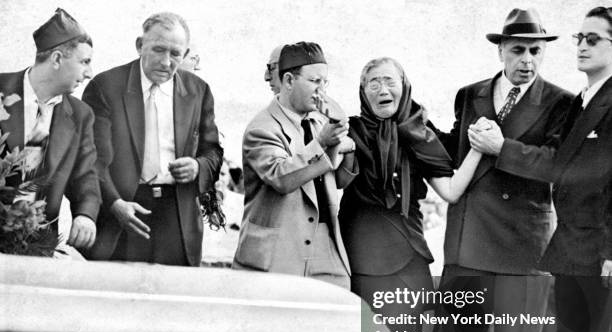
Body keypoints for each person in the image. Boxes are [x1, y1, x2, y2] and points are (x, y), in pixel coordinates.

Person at [474, 6, 612, 332]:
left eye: (595, 38)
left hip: (596, 248)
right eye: (580, 36)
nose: (583, 45)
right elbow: (559, 166)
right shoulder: (584, 101)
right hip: (569, 245)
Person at [431, 8, 573, 332]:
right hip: (468, 242)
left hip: (525, 249)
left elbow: (557, 166)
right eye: (518, 50)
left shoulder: (563, 103)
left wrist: (501, 148)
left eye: (536, 50)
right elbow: (455, 153)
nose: (527, 59)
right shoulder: (468, 93)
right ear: (500, 51)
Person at [338, 57, 483, 332]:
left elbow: (451, 191)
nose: (382, 89)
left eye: (390, 81)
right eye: (373, 82)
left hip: (409, 252)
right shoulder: (349, 132)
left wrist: (479, 151)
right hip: (362, 252)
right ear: (362, 92)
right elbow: (335, 179)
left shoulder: (419, 132)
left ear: (404, 88)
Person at [82, 12, 223, 266]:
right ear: (139, 45)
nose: (166, 62)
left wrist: (197, 167)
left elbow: (212, 152)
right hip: (121, 215)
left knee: (173, 301)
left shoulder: (198, 91)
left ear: (185, 52)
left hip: (177, 219)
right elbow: (92, 160)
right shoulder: (105, 86)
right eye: (158, 50)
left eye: (175, 54)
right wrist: (114, 204)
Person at [233, 41, 353, 288]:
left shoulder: (319, 122)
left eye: (324, 83)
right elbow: (281, 177)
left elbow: (340, 179)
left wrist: (346, 143)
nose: (322, 92)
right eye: (314, 82)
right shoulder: (261, 128)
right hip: (276, 255)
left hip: (326, 250)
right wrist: (323, 144)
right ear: (288, 80)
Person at [0, 8, 100, 250]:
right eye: (84, 62)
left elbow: (86, 174)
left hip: (36, 244)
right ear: (56, 59)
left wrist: (86, 215)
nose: (89, 73)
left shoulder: (80, 115)